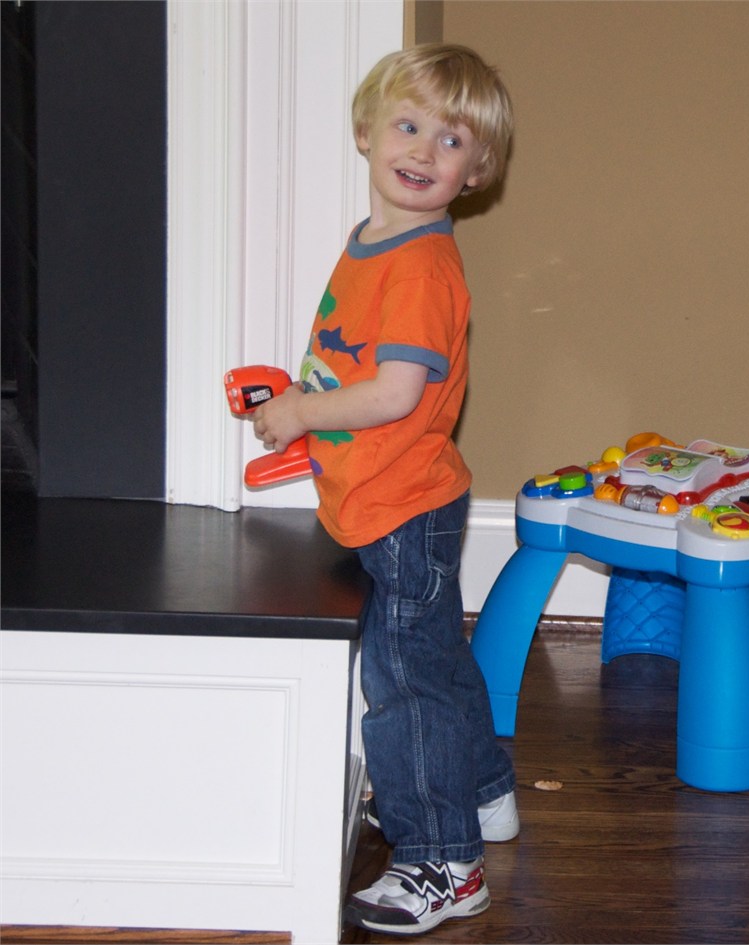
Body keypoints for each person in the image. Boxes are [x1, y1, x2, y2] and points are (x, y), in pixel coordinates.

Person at [251, 44, 517, 936]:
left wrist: (300, 410)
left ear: (475, 172)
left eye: (452, 141)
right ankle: (482, 791)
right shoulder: (375, 241)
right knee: (433, 658)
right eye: (408, 125)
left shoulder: (421, 267)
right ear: (366, 131)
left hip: (405, 507)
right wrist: (305, 404)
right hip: (388, 496)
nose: (424, 150)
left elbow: (397, 392)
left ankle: (444, 860)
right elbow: (355, 360)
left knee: (404, 683)